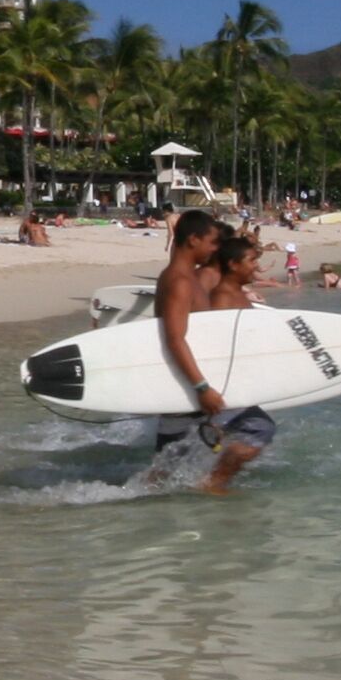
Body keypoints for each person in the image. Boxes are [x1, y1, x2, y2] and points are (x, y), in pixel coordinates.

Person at [151, 210, 272, 494]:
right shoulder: (180, 280)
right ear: (193, 239)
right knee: (258, 427)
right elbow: (175, 339)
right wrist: (202, 387)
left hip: (182, 384)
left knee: (164, 474)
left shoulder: (186, 278)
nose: (216, 248)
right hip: (187, 383)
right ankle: (213, 485)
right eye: (213, 242)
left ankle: (140, 505)